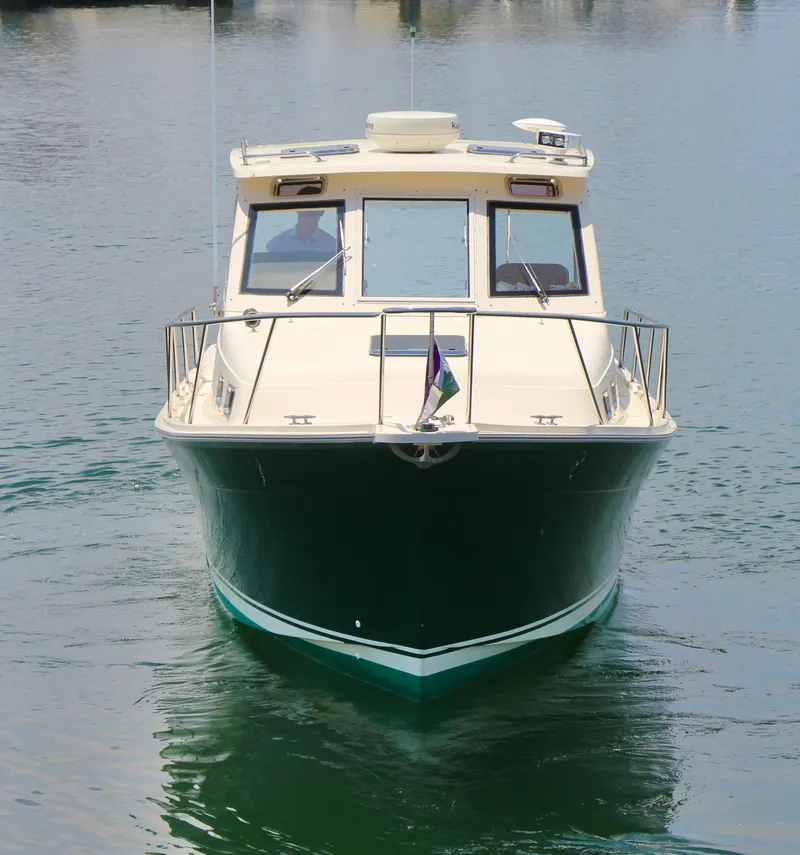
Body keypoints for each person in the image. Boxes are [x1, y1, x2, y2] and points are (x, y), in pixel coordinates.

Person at [266, 209, 337, 254]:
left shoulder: (333, 246)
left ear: (322, 212)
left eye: (314, 208)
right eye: (305, 207)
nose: (309, 211)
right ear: (297, 209)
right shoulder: (276, 243)